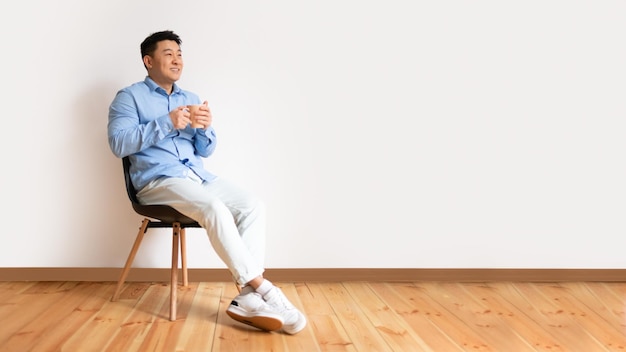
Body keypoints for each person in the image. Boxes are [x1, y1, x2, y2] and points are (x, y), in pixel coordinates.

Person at [107, 30, 306, 334]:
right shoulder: (129, 97)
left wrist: (205, 129)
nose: (176, 59)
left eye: (179, 54)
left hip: (196, 177)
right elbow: (119, 144)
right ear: (149, 61)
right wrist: (166, 122)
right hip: (156, 181)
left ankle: (247, 297)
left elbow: (206, 151)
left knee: (252, 206)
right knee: (214, 207)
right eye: (168, 53)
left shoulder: (191, 98)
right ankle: (264, 289)